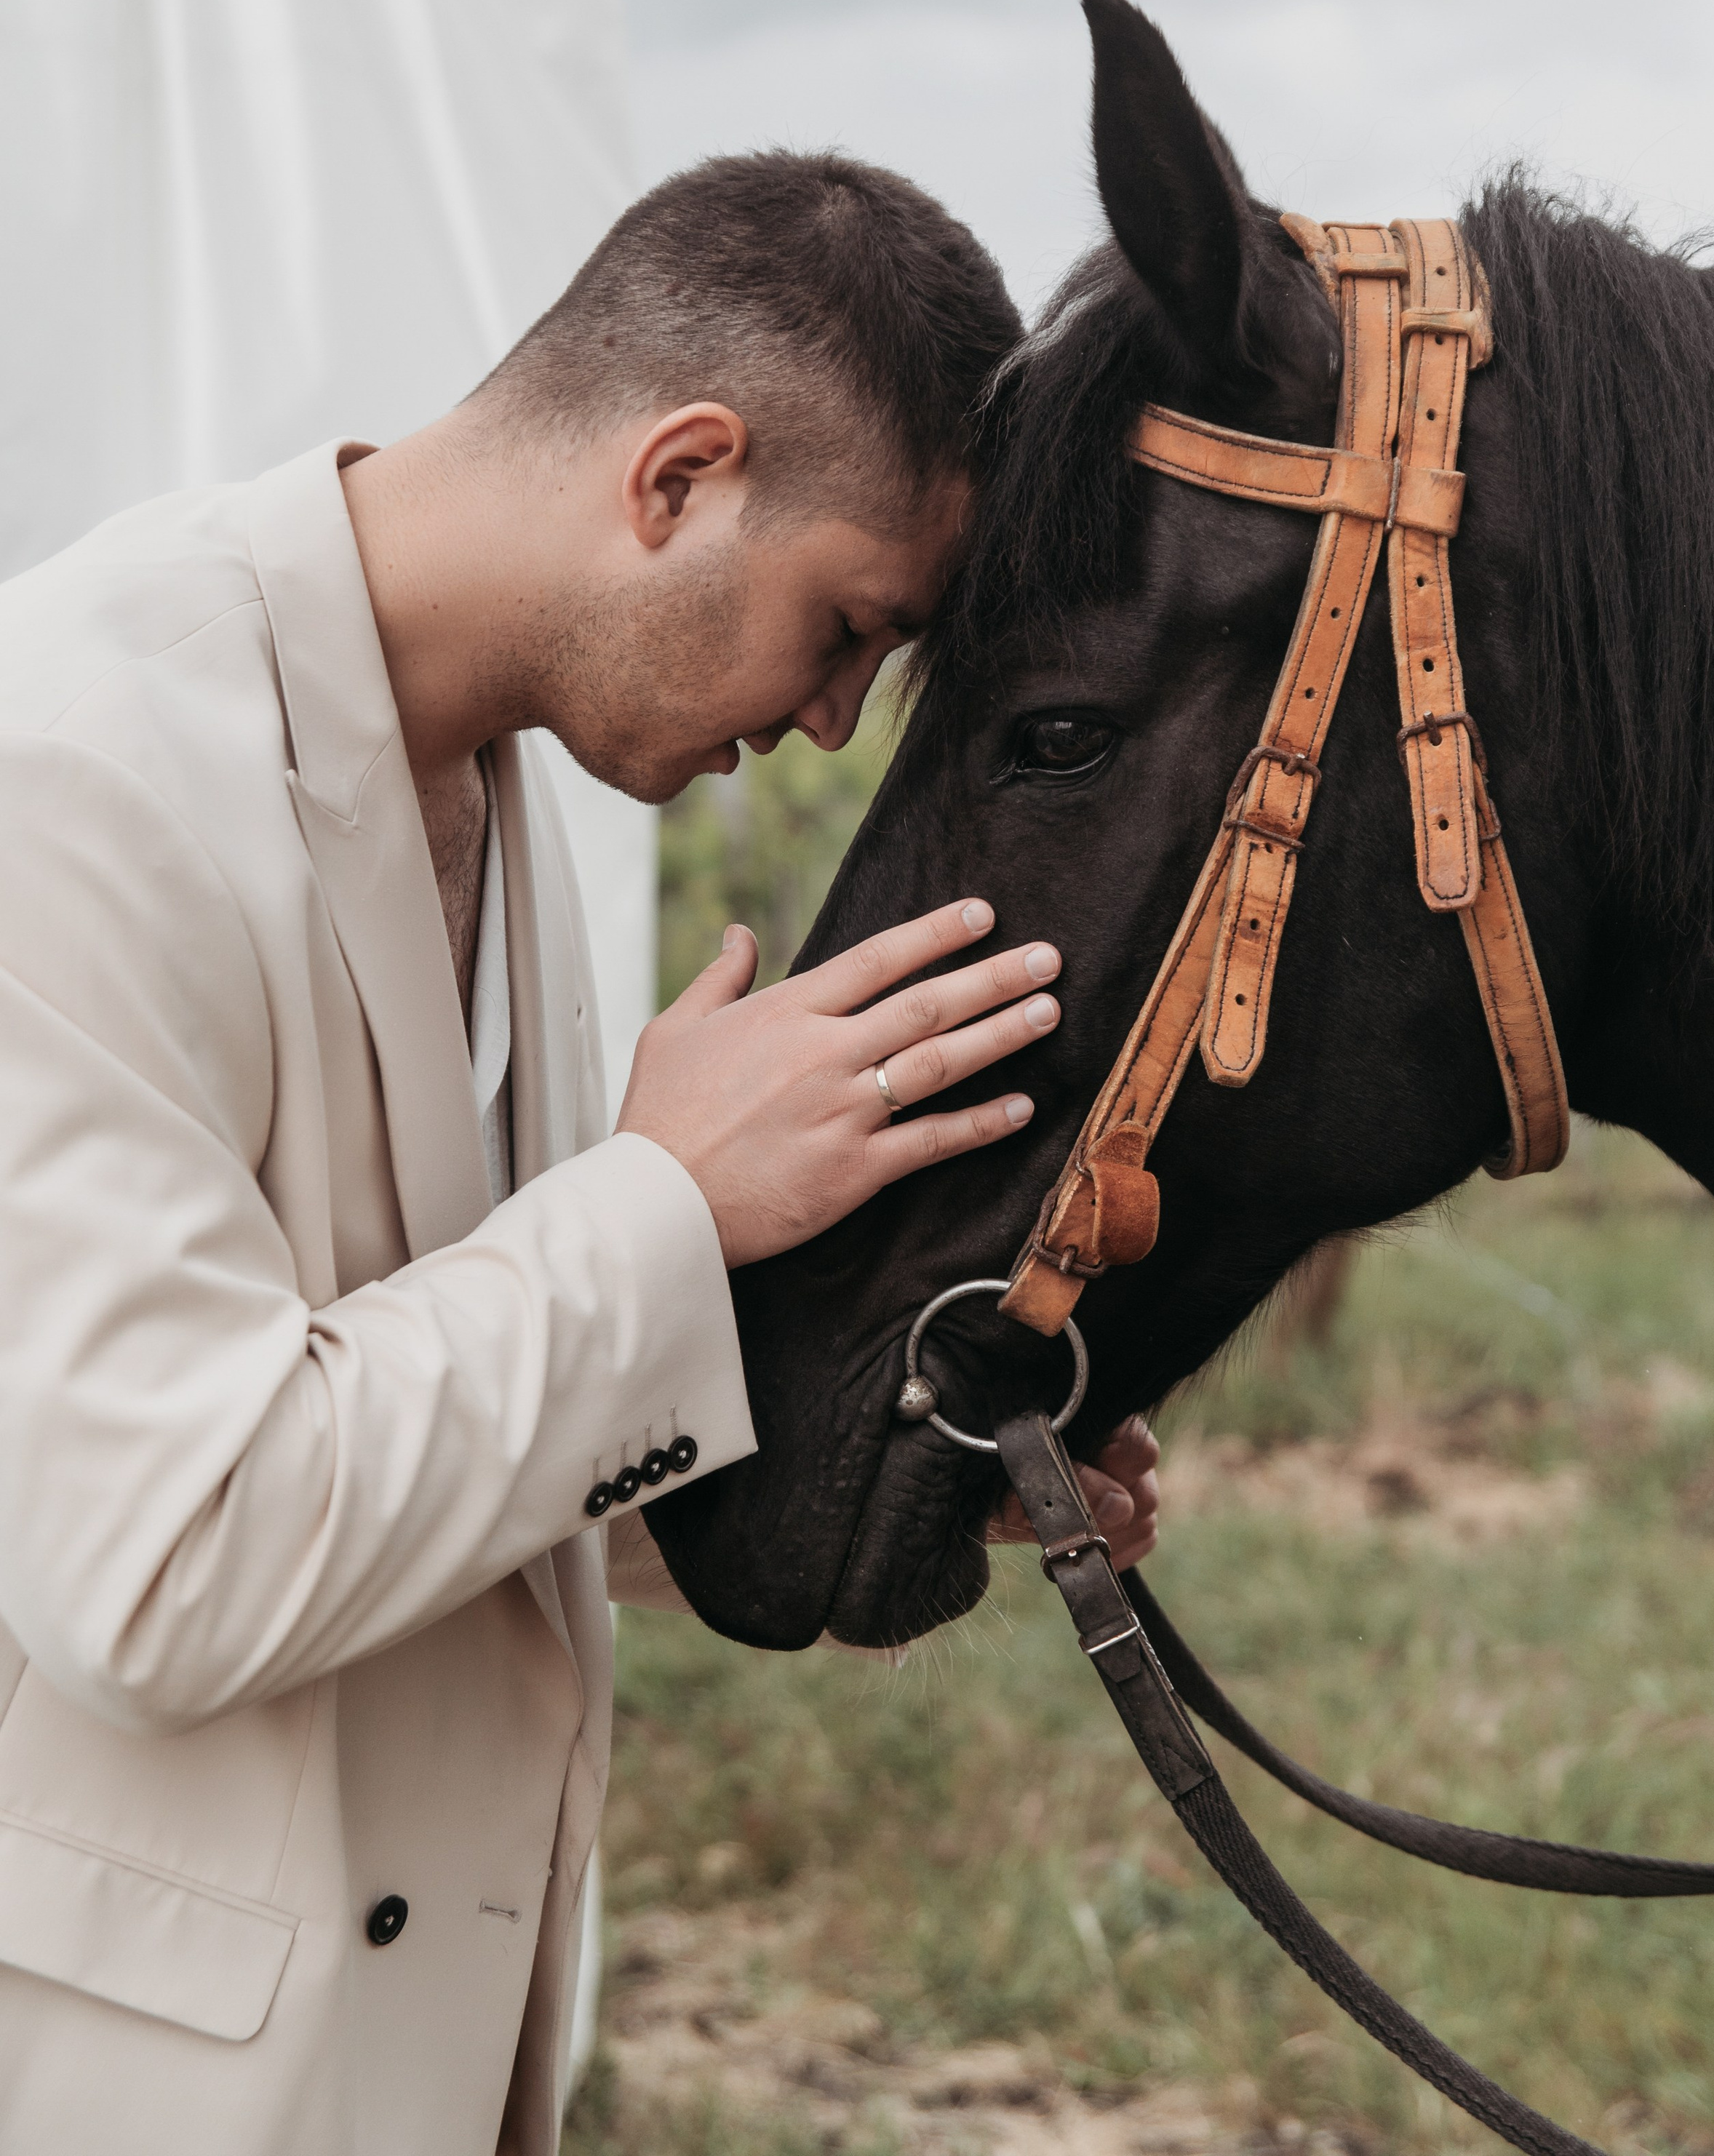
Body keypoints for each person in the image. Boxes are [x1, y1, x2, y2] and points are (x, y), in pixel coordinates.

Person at [0, 151, 1160, 2156]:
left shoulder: (492, 775)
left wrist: (832, 1452)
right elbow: (164, 1555)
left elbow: (398, 1413)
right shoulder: (73, 768)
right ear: (679, 475)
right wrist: (664, 1211)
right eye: (845, 629)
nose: (828, 724)